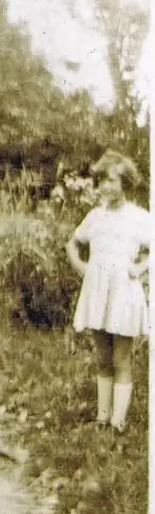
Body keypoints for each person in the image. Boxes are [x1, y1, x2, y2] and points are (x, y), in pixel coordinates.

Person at [65, 150, 150, 433]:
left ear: (125, 182)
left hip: (124, 292)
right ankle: (102, 418)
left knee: (120, 358)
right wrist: (81, 266)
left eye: (112, 181)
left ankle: (118, 422)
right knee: (103, 357)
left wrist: (140, 269)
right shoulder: (95, 216)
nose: (106, 187)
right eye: (101, 181)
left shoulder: (139, 217)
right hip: (99, 290)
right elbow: (72, 244)